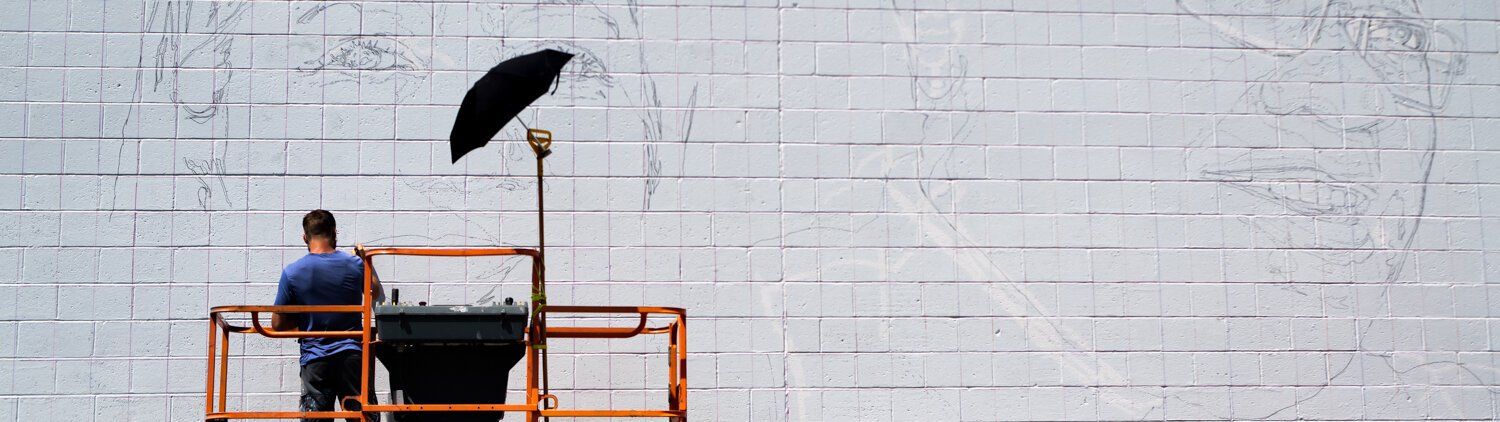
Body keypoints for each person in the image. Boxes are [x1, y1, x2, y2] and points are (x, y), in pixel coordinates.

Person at [273, 209, 384, 422]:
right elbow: (375, 291)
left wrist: (305, 323)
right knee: (363, 417)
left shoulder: (292, 272)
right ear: (334, 232)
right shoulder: (355, 265)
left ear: (305, 237)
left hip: (315, 359)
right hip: (352, 356)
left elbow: (277, 324)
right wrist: (366, 261)